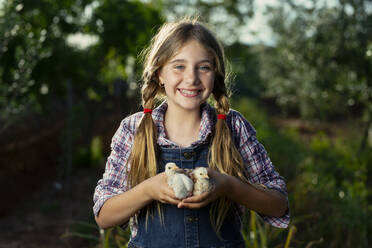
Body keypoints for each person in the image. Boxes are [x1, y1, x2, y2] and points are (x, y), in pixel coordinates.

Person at [93, 17, 290, 248]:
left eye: (204, 67)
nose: (191, 78)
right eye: (179, 66)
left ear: (215, 74)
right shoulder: (133, 130)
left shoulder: (234, 127)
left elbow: (278, 204)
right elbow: (104, 215)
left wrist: (228, 185)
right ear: (159, 74)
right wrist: (149, 189)